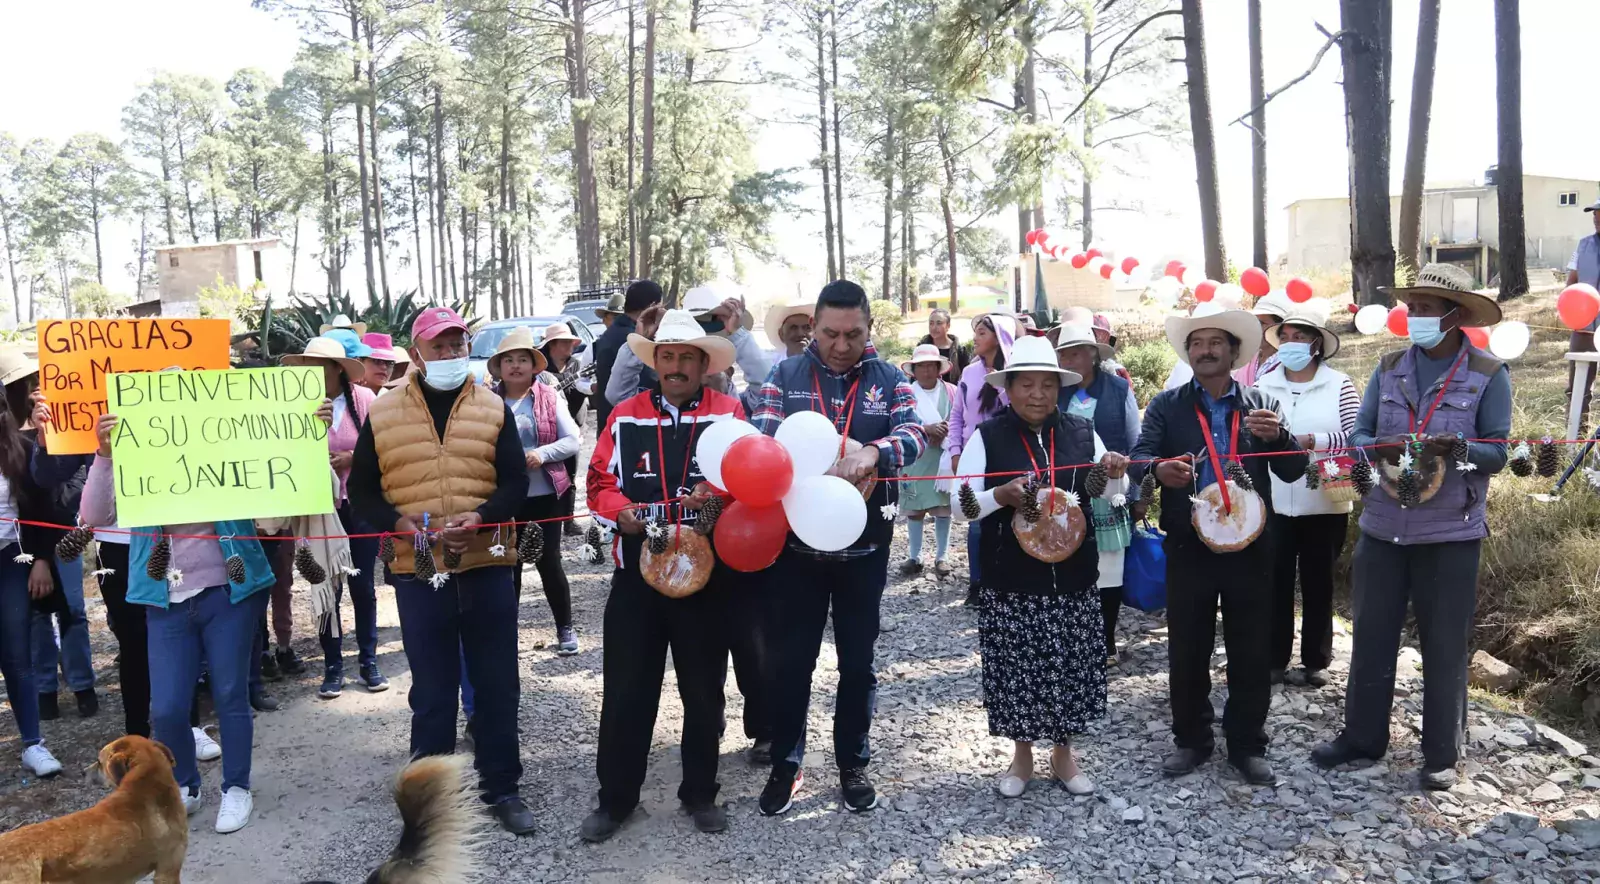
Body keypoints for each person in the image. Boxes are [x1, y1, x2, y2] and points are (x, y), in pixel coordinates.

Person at [1312, 263, 1512, 791]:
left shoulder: (1489, 374)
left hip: (1450, 534)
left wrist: (1460, 448)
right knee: (1372, 636)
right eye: (1411, 307)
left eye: (1425, 309)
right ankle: (1361, 738)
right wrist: (1373, 447)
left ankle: (1442, 753)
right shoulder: (1389, 366)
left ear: (1455, 315)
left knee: (1444, 644)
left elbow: (1500, 449)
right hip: (1382, 527)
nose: (1414, 316)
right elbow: (1361, 432)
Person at [348, 306, 536, 835]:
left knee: (498, 684)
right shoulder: (382, 412)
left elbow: (515, 482)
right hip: (418, 568)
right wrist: (401, 525)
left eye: (459, 345)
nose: (452, 355)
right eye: (441, 346)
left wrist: (481, 518)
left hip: (488, 563)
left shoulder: (492, 406)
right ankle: (430, 799)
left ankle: (501, 788)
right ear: (417, 355)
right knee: (432, 689)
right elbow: (363, 490)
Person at [751, 280, 927, 816]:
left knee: (858, 664)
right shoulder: (785, 375)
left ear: (868, 328)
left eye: (853, 334)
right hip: (796, 551)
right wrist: (823, 458)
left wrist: (874, 451)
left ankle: (852, 763)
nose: (841, 345)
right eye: (830, 333)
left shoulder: (890, 377)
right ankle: (787, 764)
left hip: (865, 550)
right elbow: (763, 438)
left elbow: (915, 435)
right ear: (815, 327)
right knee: (792, 661)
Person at [579, 309, 746, 842]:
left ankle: (700, 793)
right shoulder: (624, 414)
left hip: (706, 579)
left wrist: (717, 501)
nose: (676, 367)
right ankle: (616, 800)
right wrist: (619, 511)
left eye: (686, 359)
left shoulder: (729, 412)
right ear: (655, 362)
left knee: (704, 693)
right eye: (667, 357)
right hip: (637, 577)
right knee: (627, 693)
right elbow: (599, 481)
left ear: (703, 364)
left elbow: (748, 482)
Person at [81, 403, 283, 833]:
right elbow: (96, 517)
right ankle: (186, 785)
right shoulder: (133, 453)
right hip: (165, 599)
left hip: (229, 592)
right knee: (168, 706)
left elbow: (280, 495)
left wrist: (307, 432)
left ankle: (236, 788)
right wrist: (104, 454)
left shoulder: (231, 445)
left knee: (230, 693)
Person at [1128, 303, 1306, 785]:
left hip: (1252, 545)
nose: (1205, 351)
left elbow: (1294, 469)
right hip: (1189, 543)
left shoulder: (1261, 406)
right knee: (1188, 646)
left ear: (1233, 352)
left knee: (1251, 648)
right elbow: (1140, 458)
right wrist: (1156, 471)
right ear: (1189, 354)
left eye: (1215, 343)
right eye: (1197, 343)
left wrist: (1281, 437)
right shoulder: (1168, 405)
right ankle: (1192, 740)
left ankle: (1247, 744)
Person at [958, 335, 1129, 798]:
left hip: (1073, 577)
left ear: (1060, 388)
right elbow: (961, 505)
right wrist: (1000, 496)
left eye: (1047, 385)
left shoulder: (1079, 432)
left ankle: (1064, 754)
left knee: (1070, 667)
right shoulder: (987, 436)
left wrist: (1115, 471)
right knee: (1017, 670)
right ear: (1008, 390)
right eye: (1026, 385)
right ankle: (1021, 756)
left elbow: (1114, 495)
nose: (1038, 394)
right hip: (1010, 580)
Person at [1253, 301, 1360, 687]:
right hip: (1275, 496)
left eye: (1300, 337)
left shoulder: (1340, 384)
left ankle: (1316, 659)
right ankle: (1273, 657)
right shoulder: (1263, 385)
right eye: (1286, 336)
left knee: (1319, 579)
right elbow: (1249, 435)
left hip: (1328, 491)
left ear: (1317, 344)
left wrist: (1312, 441)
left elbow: (1356, 437)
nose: (1291, 342)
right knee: (1275, 578)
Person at [284, 333, 387, 699]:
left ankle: (368, 660)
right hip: (318, 509)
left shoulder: (366, 399)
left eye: (318, 365)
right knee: (325, 585)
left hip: (358, 505)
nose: (311, 371)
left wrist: (352, 460)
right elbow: (283, 453)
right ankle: (332, 665)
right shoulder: (291, 404)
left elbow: (382, 450)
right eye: (306, 365)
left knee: (362, 586)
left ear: (335, 369)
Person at [487, 326, 581, 656]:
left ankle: (565, 628)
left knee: (549, 562)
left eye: (522, 359)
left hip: (545, 496)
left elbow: (573, 440)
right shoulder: (486, 401)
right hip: (504, 498)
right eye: (508, 360)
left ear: (533, 365)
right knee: (506, 565)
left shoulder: (549, 396)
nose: (515, 366)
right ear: (499, 367)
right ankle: (504, 633)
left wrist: (540, 454)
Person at [1052, 323, 1141, 666]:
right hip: (1065, 490)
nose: (1069, 358)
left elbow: (1135, 442)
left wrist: (1135, 493)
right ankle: (1072, 637)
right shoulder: (1056, 391)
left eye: (1076, 352)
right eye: (1064, 353)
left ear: (1092, 355)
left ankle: (1105, 640)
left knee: (1110, 568)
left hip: (1109, 489)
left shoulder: (1118, 389)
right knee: (1067, 558)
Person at [0, 349, 64, 779]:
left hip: (10, 561)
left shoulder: (18, 447)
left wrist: (41, 559)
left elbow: (44, 506)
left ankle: (32, 743)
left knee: (17, 654)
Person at [604, 286, 771, 407]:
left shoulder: (731, 403)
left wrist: (738, 336)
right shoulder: (661, 400)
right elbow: (617, 395)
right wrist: (639, 342)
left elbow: (767, 393)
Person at [948, 313, 1017, 603]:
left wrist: (1000, 384)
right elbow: (957, 415)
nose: (975, 338)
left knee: (1007, 515)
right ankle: (977, 582)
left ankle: (1009, 579)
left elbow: (1017, 411)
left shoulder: (1014, 372)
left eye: (982, 333)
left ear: (999, 336)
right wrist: (955, 450)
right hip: (972, 454)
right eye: (975, 332)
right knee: (974, 517)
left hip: (1006, 453)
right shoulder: (968, 373)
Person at [896, 344, 956, 578]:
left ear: (938, 368)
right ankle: (915, 556)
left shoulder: (951, 391)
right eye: (921, 366)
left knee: (942, 508)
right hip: (916, 457)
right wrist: (925, 429)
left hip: (942, 456)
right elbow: (899, 422)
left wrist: (945, 432)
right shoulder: (906, 394)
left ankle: (942, 556)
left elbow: (960, 419)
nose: (927, 371)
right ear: (914, 370)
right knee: (914, 509)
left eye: (931, 365)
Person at [537, 321, 592, 535]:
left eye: (571, 342)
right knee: (549, 477)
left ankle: (569, 521)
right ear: (553, 345)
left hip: (573, 427)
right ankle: (549, 521)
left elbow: (583, 389)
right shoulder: (541, 369)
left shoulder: (577, 366)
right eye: (566, 342)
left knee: (570, 476)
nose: (570, 346)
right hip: (548, 429)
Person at [592, 280, 663, 433]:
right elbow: (650, 383)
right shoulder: (634, 339)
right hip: (629, 427)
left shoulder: (611, 333)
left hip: (610, 425)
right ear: (653, 306)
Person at [1567, 199, 1600, 418]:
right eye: (1595, 214)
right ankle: (1576, 438)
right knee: (1577, 387)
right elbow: (1572, 282)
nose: (1596, 218)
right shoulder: (1583, 245)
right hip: (1584, 326)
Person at [1234, 291, 1291, 387]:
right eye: (1254, 321)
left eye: (1262, 323)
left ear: (1279, 327)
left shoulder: (1289, 364)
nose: (1255, 327)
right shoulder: (1249, 358)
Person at [917, 308, 970, 384]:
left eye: (939, 323)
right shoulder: (922, 348)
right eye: (931, 323)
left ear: (948, 326)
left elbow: (966, 377)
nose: (934, 327)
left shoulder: (959, 350)